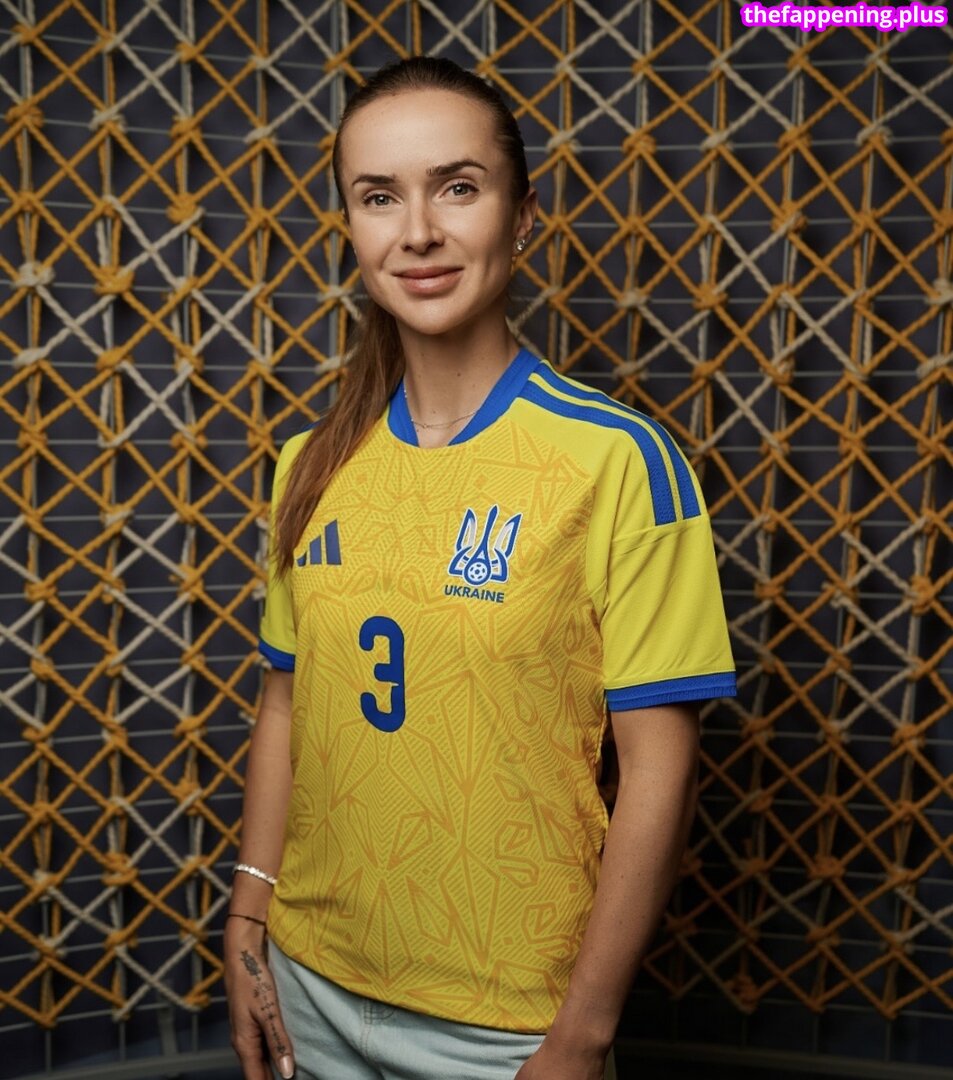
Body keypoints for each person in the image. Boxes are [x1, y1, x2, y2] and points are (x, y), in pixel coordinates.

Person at [224, 55, 736, 1080]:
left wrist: (582, 1033)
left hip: (505, 1023)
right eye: (379, 197)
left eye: (456, 187)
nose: (417, 231)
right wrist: (247, 920)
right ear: (350, 226)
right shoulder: (308, 464)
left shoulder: (616, 460)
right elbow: (287, 705)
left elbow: (659, 769)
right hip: (309, 979)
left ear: (523, 215)